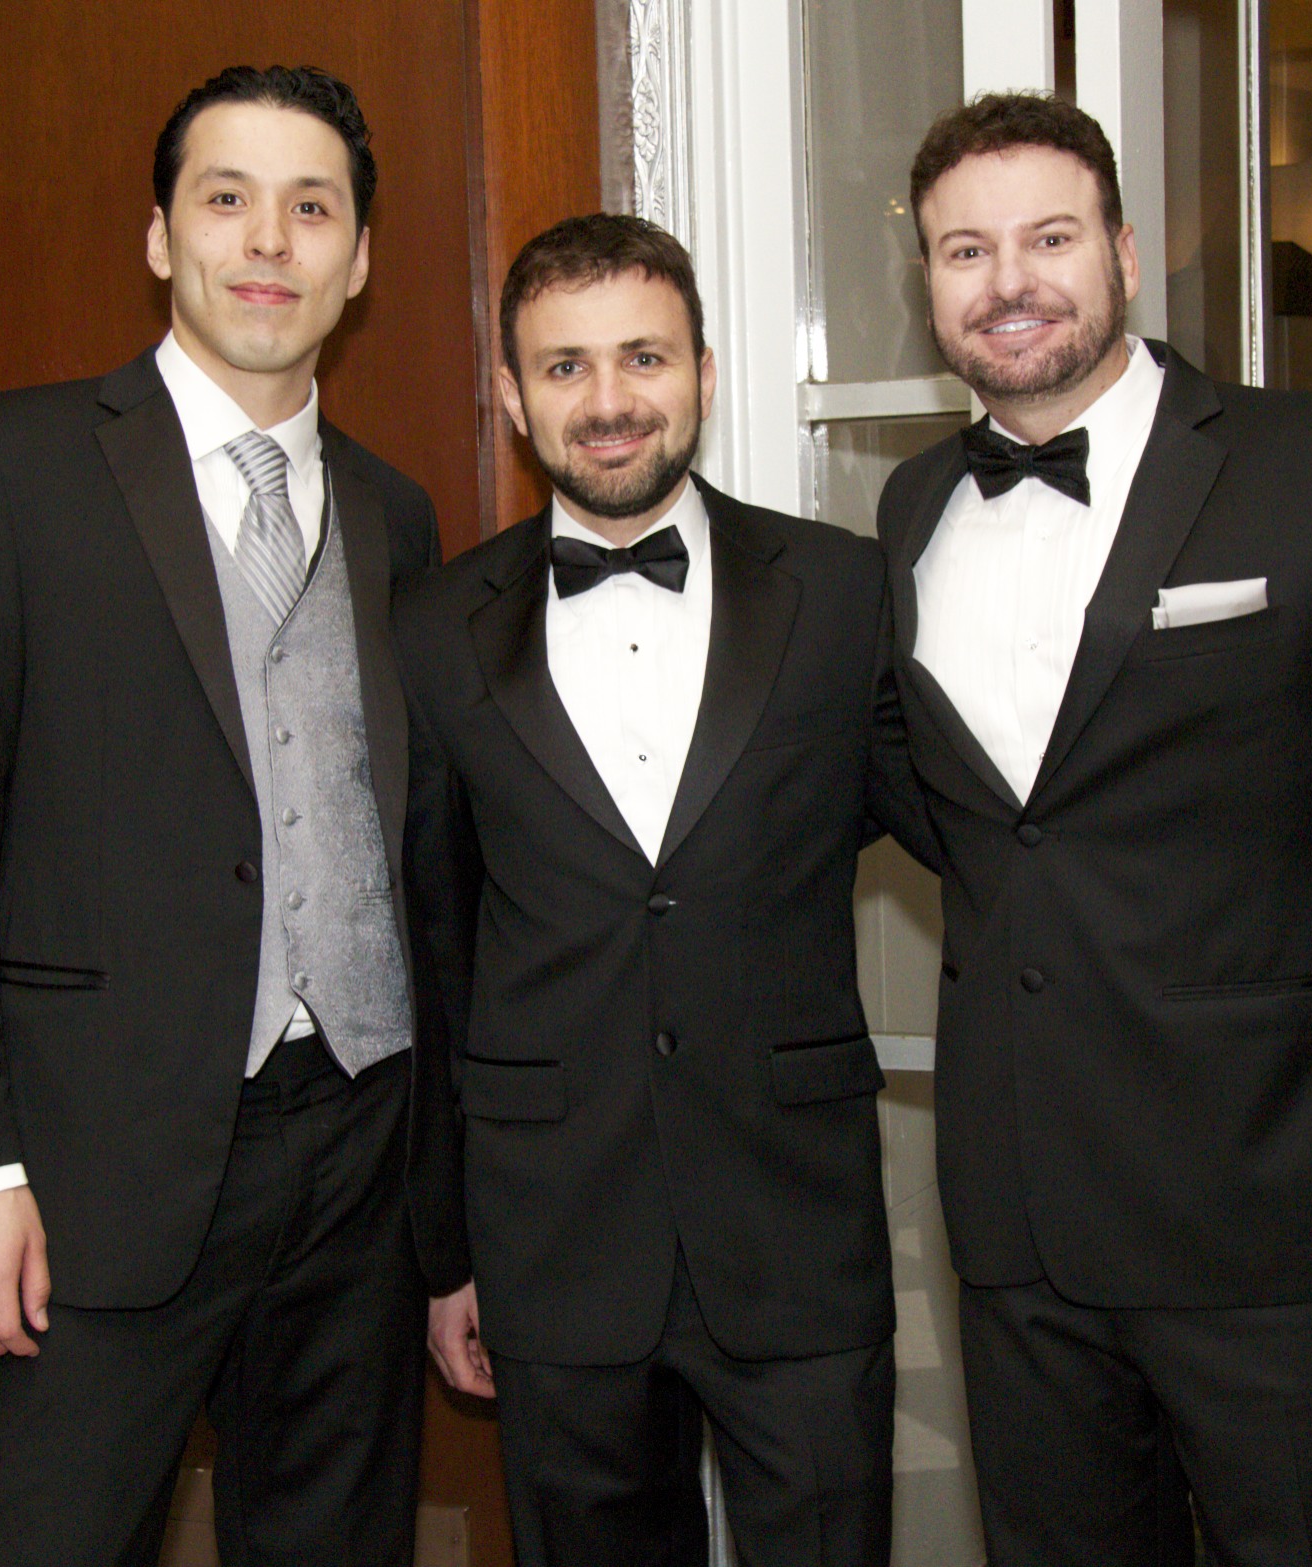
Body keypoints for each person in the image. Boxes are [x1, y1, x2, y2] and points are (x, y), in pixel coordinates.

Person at [874, 94, 1312, 1565]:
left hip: (1281, 1205)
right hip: (1021, 1220)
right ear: (930, 285)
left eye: (1048, 236)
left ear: (1127, 253)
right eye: (966, 249)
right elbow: (970, 821)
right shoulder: (909, 510)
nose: (1008, 279)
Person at [0, 65, 441, 1565]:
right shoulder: (9, 465)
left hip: (358, 1155)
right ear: (160, 235)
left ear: (359, 258)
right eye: (226, 198)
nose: (269, 240)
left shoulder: (397, 514)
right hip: (95, 1168)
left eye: (311, 207)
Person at [398, 214, 931, 1567]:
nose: (610, 399)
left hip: (795, 1228)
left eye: (643, 355)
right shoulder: (434, 629)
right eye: (565, 366)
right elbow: (435, 947)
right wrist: (448, 1245)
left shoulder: (844, 588)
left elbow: (988, 834)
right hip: (552, 1240)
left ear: (701, 366)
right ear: (511, 395)